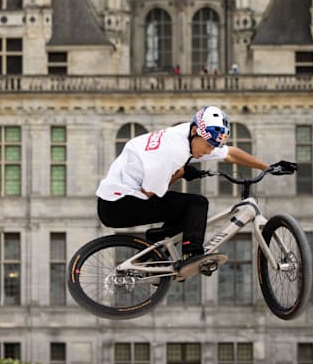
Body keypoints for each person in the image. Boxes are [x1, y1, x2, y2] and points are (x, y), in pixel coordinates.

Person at [95, 106, 294, 279]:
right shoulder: (172, 152)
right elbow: (150, 193)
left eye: (213, 147)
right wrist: (180, 174)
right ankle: (191, 256)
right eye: (208, 146)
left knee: (187, 213)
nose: (208, 152)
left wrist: (268, 167)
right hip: (117, 205)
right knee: (196, 204)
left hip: (123, 197)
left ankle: (155, 252)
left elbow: (230, 154)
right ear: (194, 131)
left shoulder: (191, 135)